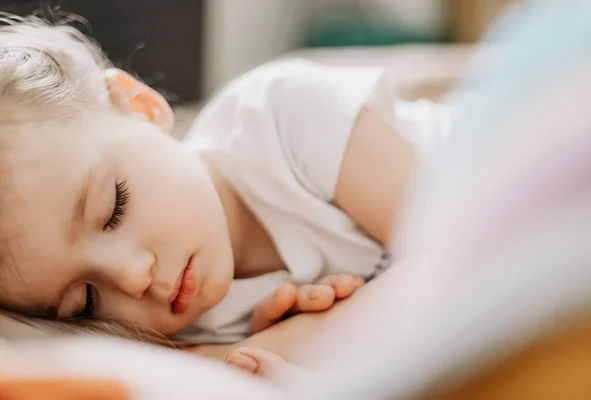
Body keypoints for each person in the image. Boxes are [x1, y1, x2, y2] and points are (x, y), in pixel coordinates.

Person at [0, 16, 452, 361]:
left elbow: (461, 246)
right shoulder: (188, 339)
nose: (133, 278)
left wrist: (305, 337)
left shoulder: (279, 119)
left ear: (138, 105)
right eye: (85, 302)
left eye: (114, 207)